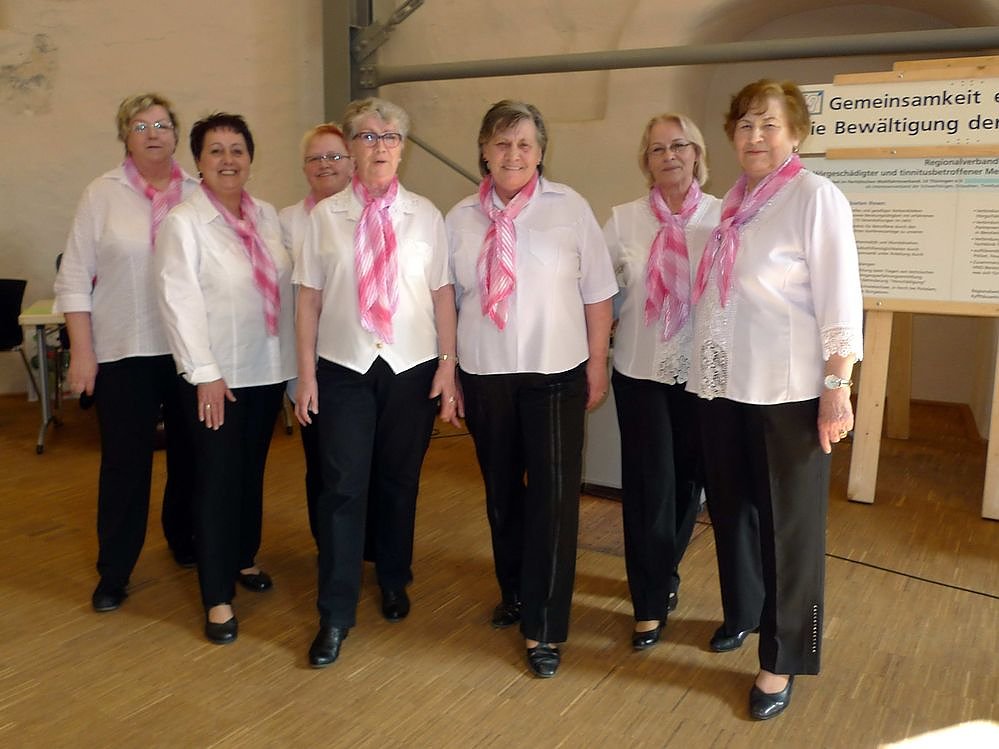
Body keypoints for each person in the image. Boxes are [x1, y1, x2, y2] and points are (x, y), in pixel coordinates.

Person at [688, 79, 863, 720]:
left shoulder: (814, 197)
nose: (755, 136)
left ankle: (781, 659)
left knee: (789, 530)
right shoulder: (733, 204)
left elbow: (841, 299)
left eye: (769, 124)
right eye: (744, 125)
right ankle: (746, 614)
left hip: (786, 394)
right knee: (734, 514)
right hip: (724, 387)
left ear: (795, 133)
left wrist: (837, 388)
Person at [446, 100, 617, 678]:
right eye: (501, 143)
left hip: (555, 374)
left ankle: (545, 626)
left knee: (554, 500)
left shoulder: (570, 209)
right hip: (485, 373)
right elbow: (448, 302)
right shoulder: (459, 219)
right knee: (502, 494)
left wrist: (598, 364)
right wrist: (450, 372)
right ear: (484, 151)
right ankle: (515, 591)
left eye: (523, 144)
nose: (512, 154)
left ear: (541, 152)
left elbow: (598, 293)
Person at [294, 97, 459, 668]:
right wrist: (306, 375)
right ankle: (335, 614)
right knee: (341, 488)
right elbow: (309, 300)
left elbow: (442, 294)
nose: (380, 147)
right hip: (343, 368)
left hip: (411, 368)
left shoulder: (426, 215)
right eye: (367, 137)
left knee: (398, 480)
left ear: (402, 149)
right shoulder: (325, 217)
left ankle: (393, 575)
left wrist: (448, 364)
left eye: (390, 137)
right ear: (350, 148)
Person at [55, 92, 198, 614]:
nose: (153, 133)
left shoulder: (198, 193)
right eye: (140, 126)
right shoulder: (102, 194)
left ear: (176, 135)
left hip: (187, 350)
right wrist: (83, 353)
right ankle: (114, 569)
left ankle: (184, 539)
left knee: (192, 455)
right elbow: (74, 278)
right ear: (125, 138)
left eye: (162, 124)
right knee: (124, 464)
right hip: (122, 349)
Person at [156, 113, 295, 645]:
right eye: (215, 150)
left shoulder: (266, 215)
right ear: (198, 161)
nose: (228, 159)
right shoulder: (184, 222)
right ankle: (216, 596)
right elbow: (179, 301)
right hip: (216, 376)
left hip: (265, 369)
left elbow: (284, 292)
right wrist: (205, 374)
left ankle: (242, 556)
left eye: (237, 149)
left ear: (250, 157)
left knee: (249, 472)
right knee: (215, 481)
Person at [603, 113, 721, 650]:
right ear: (646, 162)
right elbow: (596, 290)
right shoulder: (623, 220)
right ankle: (648, 603)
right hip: (640, 372)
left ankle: (664, 571)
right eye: (657, 149)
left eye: (679, 145)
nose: (669, 155)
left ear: (697, 154)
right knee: (650, 487)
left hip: (701, 375)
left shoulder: (723, 217)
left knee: (687, 486)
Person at [279, 123, 354, 544]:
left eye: (334, 156)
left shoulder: (369, 214)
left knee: (361, 463)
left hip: (359, 357)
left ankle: (367, 547)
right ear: (304, 167)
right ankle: (329, 546)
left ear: (353, 163)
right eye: (315, 158)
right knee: (323, 462)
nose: (325, 165)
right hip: (310, 361)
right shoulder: (286, 221)